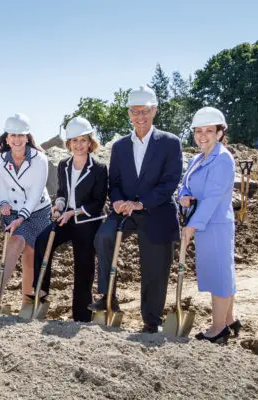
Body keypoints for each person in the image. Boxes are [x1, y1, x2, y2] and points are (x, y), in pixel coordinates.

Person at [90, 85, 183, 333]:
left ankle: (152, 320)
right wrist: (118, 201)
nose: (140, 117)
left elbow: (170, 181)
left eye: (145, 111)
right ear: (129, 114)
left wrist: (143, 203)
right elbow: (116, 182)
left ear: (154, 111)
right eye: (135, 112)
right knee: (104, 236)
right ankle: (108, 296)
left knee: (154, 265)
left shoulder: (170, 143)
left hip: (157, 210)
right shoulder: (120, 147)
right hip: (125, 211)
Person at [30, 117, 108, 322]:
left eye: (83, 140)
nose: (79, 145)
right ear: (69, 144)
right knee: (42, 240)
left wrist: (75, 212)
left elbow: (98, 202)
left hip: (87, 221)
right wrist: (59, 205)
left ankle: (81, 316)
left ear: (90, 142)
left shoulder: (99, 169)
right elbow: (63, 192)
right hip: (66, 218)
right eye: (74, 141)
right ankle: (41, 291)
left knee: (83, 266)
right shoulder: (64, 165)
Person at [179, 107, 238, 344]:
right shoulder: (196, 158)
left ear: (220, 133)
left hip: (215, 224)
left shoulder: (222, 159)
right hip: (203, 222)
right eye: (198, 131)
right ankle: (231, 319)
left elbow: (213, 197)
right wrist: (183, 196)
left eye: (209, 131)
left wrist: (191, 226)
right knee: (221, 272)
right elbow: (185, 184)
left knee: (219, 276)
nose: (203, 135)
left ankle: (218, 328)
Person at [0, 113, 51, 305]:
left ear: (27, 137)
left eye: (21, 135)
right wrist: (2, 204)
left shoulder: (40, 159)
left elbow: (35, 194)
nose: (17, 139)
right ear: (7, 138)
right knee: (16, 241)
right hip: (14, 211)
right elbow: (0, 189)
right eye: (13, 135)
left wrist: (22, 217)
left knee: (30, 254)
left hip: (38, 211)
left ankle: (27, 302)